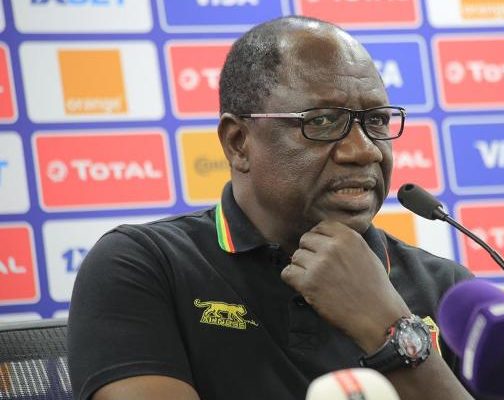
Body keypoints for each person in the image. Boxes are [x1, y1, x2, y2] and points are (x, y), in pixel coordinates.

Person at [68, 16, 474, 400]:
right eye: (323, 121)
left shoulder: (449, 289)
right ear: (239, 142)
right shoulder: (145, 266)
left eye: (378, 120)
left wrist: (389, 327)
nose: (364, 150)